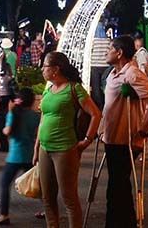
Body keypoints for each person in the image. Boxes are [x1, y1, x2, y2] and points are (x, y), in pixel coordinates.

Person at [33, 51, 101, 228]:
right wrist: (36, 147)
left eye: (45, 66)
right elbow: (43, 119)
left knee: (69, 197)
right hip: (45, 148)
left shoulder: (74, 88)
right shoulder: (48, 89)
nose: (42, 69)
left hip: (64, 149)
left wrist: (87, 140)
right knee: (47, 197)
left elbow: (95, 114)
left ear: (55, 69)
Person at [101, 35, 148, 228]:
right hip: (111, 138)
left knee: (117, 187)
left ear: (119, 53)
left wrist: (142, 130)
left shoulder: (133, 74)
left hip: (125, 139)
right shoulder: (113, 73)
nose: (106, 52)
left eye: (109, 49)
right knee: (117, 186)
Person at [0, 88, 40, 225]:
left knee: (5, 184)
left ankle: (4, 215)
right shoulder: (35, 116)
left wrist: (6, 126)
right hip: (30, 154)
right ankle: (48, 209)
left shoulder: (13, 114)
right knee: (39, 184)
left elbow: (7, 131)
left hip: (15, 156)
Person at [0, 38, 17, 152]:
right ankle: (4, 143)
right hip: (8, 95)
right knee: (4, 118)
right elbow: (13, 74)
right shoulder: (11, 59)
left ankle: (0, 143)